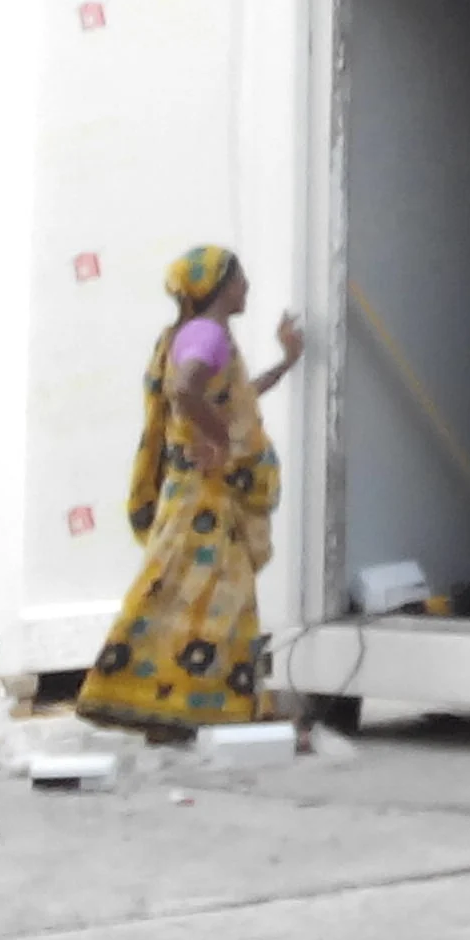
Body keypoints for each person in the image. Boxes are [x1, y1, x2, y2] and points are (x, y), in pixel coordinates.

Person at [77, 246, 303, 742]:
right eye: (240, 279)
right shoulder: (207, 333)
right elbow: (185, 390)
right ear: (220, 286)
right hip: (207, 496)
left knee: (195, 595)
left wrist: (285, 364)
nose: (247, 287)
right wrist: (218, 442)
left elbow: (229, 398)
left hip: (198, 492)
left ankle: (183, 706)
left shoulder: (195, 333)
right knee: (205, 595)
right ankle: (151, 698)